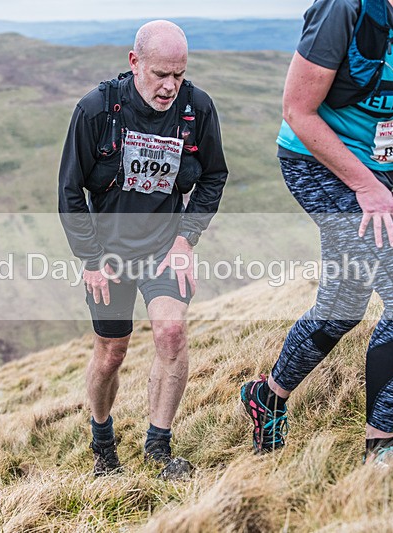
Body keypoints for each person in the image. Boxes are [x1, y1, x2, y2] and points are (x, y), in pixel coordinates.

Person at [241, 0, 393, 463]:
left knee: (343, 304)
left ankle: (268, 396)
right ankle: (380, 448)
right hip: (317, 164)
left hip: (378, 174)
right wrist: (367, 187)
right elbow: (297, 111)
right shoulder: (343, 9)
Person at [58, 20, 228, 478]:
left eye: (179, 74)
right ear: (134, 63)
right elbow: (70, 192)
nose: (170, 86)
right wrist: (90, 261)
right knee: (111, 352)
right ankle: (102, 444)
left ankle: (158, 448)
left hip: (164, 247)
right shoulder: (96, 111)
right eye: (160, 74)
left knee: (171, 335)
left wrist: (185, 238)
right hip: (108, 253)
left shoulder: (197, 108)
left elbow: (214, 175)